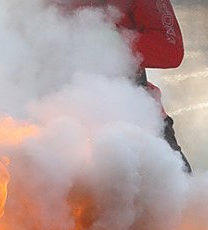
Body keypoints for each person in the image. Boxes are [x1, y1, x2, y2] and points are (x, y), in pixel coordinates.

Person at [56, 0, 192, 172]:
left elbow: (170, 50)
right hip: (64, 119)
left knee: (179, 193)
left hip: (141, 119)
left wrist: (107, 39)